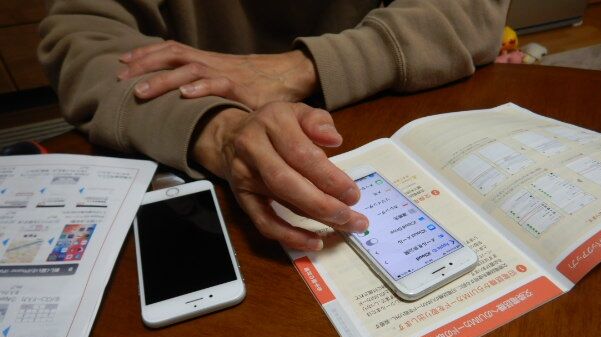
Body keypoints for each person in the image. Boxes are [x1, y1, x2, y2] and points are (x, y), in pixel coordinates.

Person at [38, 0, 509, 251]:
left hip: (378, 115)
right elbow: (83, 40)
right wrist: (218, 129)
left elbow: (472, 12)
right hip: (199, 169)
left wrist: (300, 68)